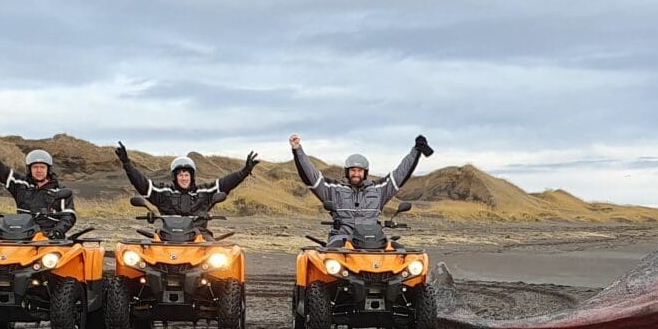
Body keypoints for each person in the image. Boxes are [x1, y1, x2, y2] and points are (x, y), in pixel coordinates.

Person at [290, 133, 432, 242]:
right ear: (347, 172)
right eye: (353, 170)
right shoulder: (333, 189)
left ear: (365, 173)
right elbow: (312, 177)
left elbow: (400, 174)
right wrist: (297, 149)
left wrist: (416, 151)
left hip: (372, 240)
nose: (356, 174)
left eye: (359, 171)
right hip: (341, 239)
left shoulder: (379, 189)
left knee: (398, 254)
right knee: (326, 261)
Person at [116, 141, 260, 227]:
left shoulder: (204, 191)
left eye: (186, 175)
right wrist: (127, 164)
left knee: (223, 262)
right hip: (167, 237)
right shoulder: (163, 192)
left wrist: (244, 171)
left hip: (199, 236)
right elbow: (142, 184)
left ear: (192, 177)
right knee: (140, 260)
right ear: (175, 177)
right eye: (180, 175)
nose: (184, 178)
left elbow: (225, 184)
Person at [0, 127, 76, 235]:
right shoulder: (20, 184)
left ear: (48, 169)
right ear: (29, 169)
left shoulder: (60, 190)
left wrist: (57, 231)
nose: (39, 170)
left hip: (47, 236)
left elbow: (69, 216)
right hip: (21, 234)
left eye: (42, 167)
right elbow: (1, 171)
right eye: (35, 167)